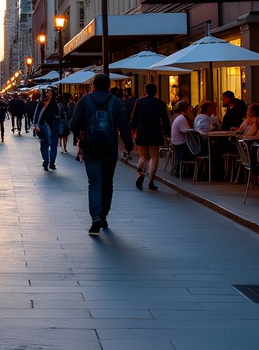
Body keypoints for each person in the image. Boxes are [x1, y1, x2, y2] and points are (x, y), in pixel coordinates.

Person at [70, 73, 133, 234]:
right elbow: (124, 125)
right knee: (107, 182)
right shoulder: (115, 102)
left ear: (93, 86)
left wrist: (80, 136)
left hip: (90, 147)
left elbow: (73, 124)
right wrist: (128, 144)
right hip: (109, 147)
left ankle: (96, 217)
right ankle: (104, 215)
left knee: (94, 182)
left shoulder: (85, 100)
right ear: (109, 86)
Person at [131, 83, 168, 190]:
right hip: (155, 132)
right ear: (156, 92)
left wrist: (132, 130)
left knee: (143, 156)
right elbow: (165, 120)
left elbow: (134, 118)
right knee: (154, 157)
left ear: (145, 91)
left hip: (142, 132)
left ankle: (139, 172)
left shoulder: (139, 102)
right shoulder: (161, 104)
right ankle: (150, 180)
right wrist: (167, 133)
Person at [32, 87, 62, 171]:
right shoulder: (54, 103)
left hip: (44, 125)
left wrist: (36, 125)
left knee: (45, 144)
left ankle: (47, 161)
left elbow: (37, 115)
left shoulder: (41, 103)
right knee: (52, 144)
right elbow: (58, 114)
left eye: (50, 93)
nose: (48, 95)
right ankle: (50, 162)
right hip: (50, 125)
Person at [169, 100, 194, 177]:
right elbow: (185, 130)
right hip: (180, 143)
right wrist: (194, 130)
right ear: (185, 109)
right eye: (189, 110)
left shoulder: (180, 117)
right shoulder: (182, 118)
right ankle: (191, 171)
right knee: (196, 151)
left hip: (176, 142)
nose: (190, 111)